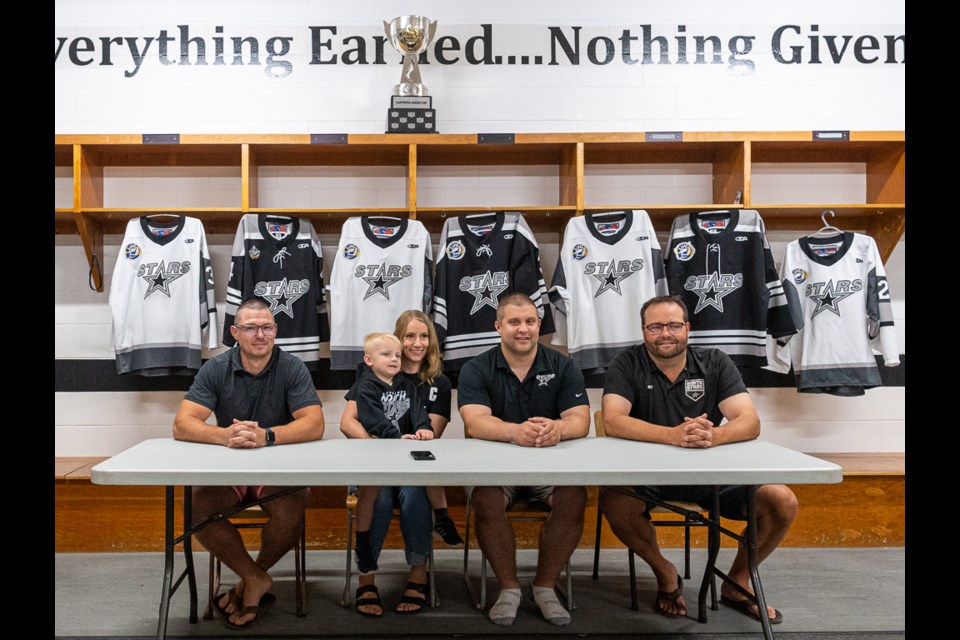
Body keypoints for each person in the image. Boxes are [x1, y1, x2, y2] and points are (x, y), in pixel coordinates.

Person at [598, 294, 798, 624]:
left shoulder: (715, 361)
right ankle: (665, 573)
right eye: (656, 326)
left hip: (709, 472)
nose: (666, 334)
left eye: (674, 325)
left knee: (782, 501)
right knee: (614, 500)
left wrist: (713, 436)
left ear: (688, 328)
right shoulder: (626, 362)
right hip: (647, 474)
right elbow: (613, 420)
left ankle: (737, 583)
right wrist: (673, 435)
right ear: (644, 330)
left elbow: (749, 421)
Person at [172, 298, 324, 631]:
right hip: (231, 468)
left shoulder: (291, 367)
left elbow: (314, 423)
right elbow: (183, 424)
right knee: (196, 509)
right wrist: (225, 435)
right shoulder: (216, 368)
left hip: (279, 470)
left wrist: (266, 436)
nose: (260, 335)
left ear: (275, 331)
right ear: (235, 332)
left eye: (267, 327)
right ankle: (254, 577)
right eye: (251, 328)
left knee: (292, 510)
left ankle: (249, 581)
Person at [457, 293, 590, 627]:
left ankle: (545, 586)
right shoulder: (476, 367)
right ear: (498, 326)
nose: (523, 329)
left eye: (530, 321)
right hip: (496, 468)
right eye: (514, 322)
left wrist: (558, 428)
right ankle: (509, 588)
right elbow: (474, 421)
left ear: (538, 324)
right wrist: (514, 432)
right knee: (486, 499)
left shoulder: (562, 364)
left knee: (575, 496)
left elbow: (580, 421)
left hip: (548, 464)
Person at [339, 332, 435, 617]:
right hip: (376, 460)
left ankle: (418, 572)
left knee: (416, 494)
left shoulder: (418, 383)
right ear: (371, 359)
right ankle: (366, 574)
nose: (398, 356)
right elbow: (350, 422)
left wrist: (421, 429)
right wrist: (382, 445)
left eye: (423, 337)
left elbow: (424, 420)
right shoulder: (365, 382)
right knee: (377, 499)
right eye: (408, 337)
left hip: (407, 463)